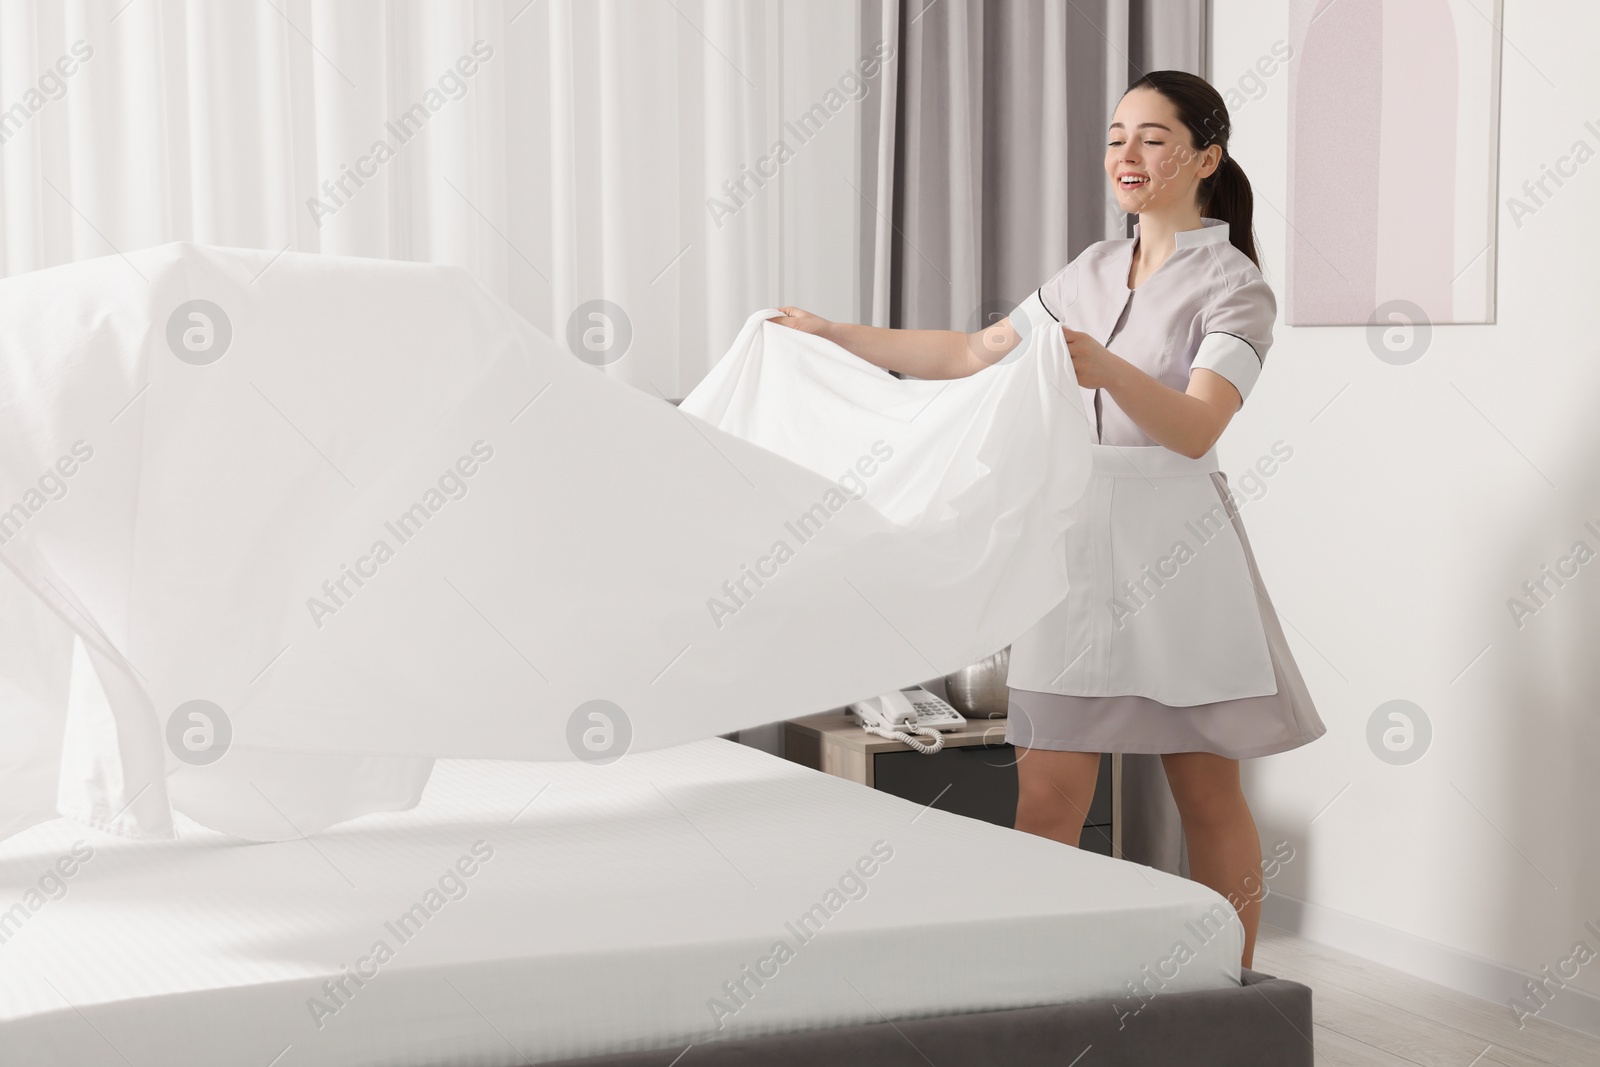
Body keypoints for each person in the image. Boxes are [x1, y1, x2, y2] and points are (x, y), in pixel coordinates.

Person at [766, 70, 1325, 969]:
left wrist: (1103, 367)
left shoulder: (1236, 288)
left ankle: (1234, 987)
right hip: (1069, 549)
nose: (1126, 155)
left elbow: (1196, 427)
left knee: (1208, 799)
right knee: (1045, 803)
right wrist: (835, 334)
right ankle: (1046, 982)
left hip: (1178, 557)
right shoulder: (1090, 271)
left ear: (1206, 157)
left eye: (1151, 136)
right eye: (1114, 137)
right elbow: (969, 351)